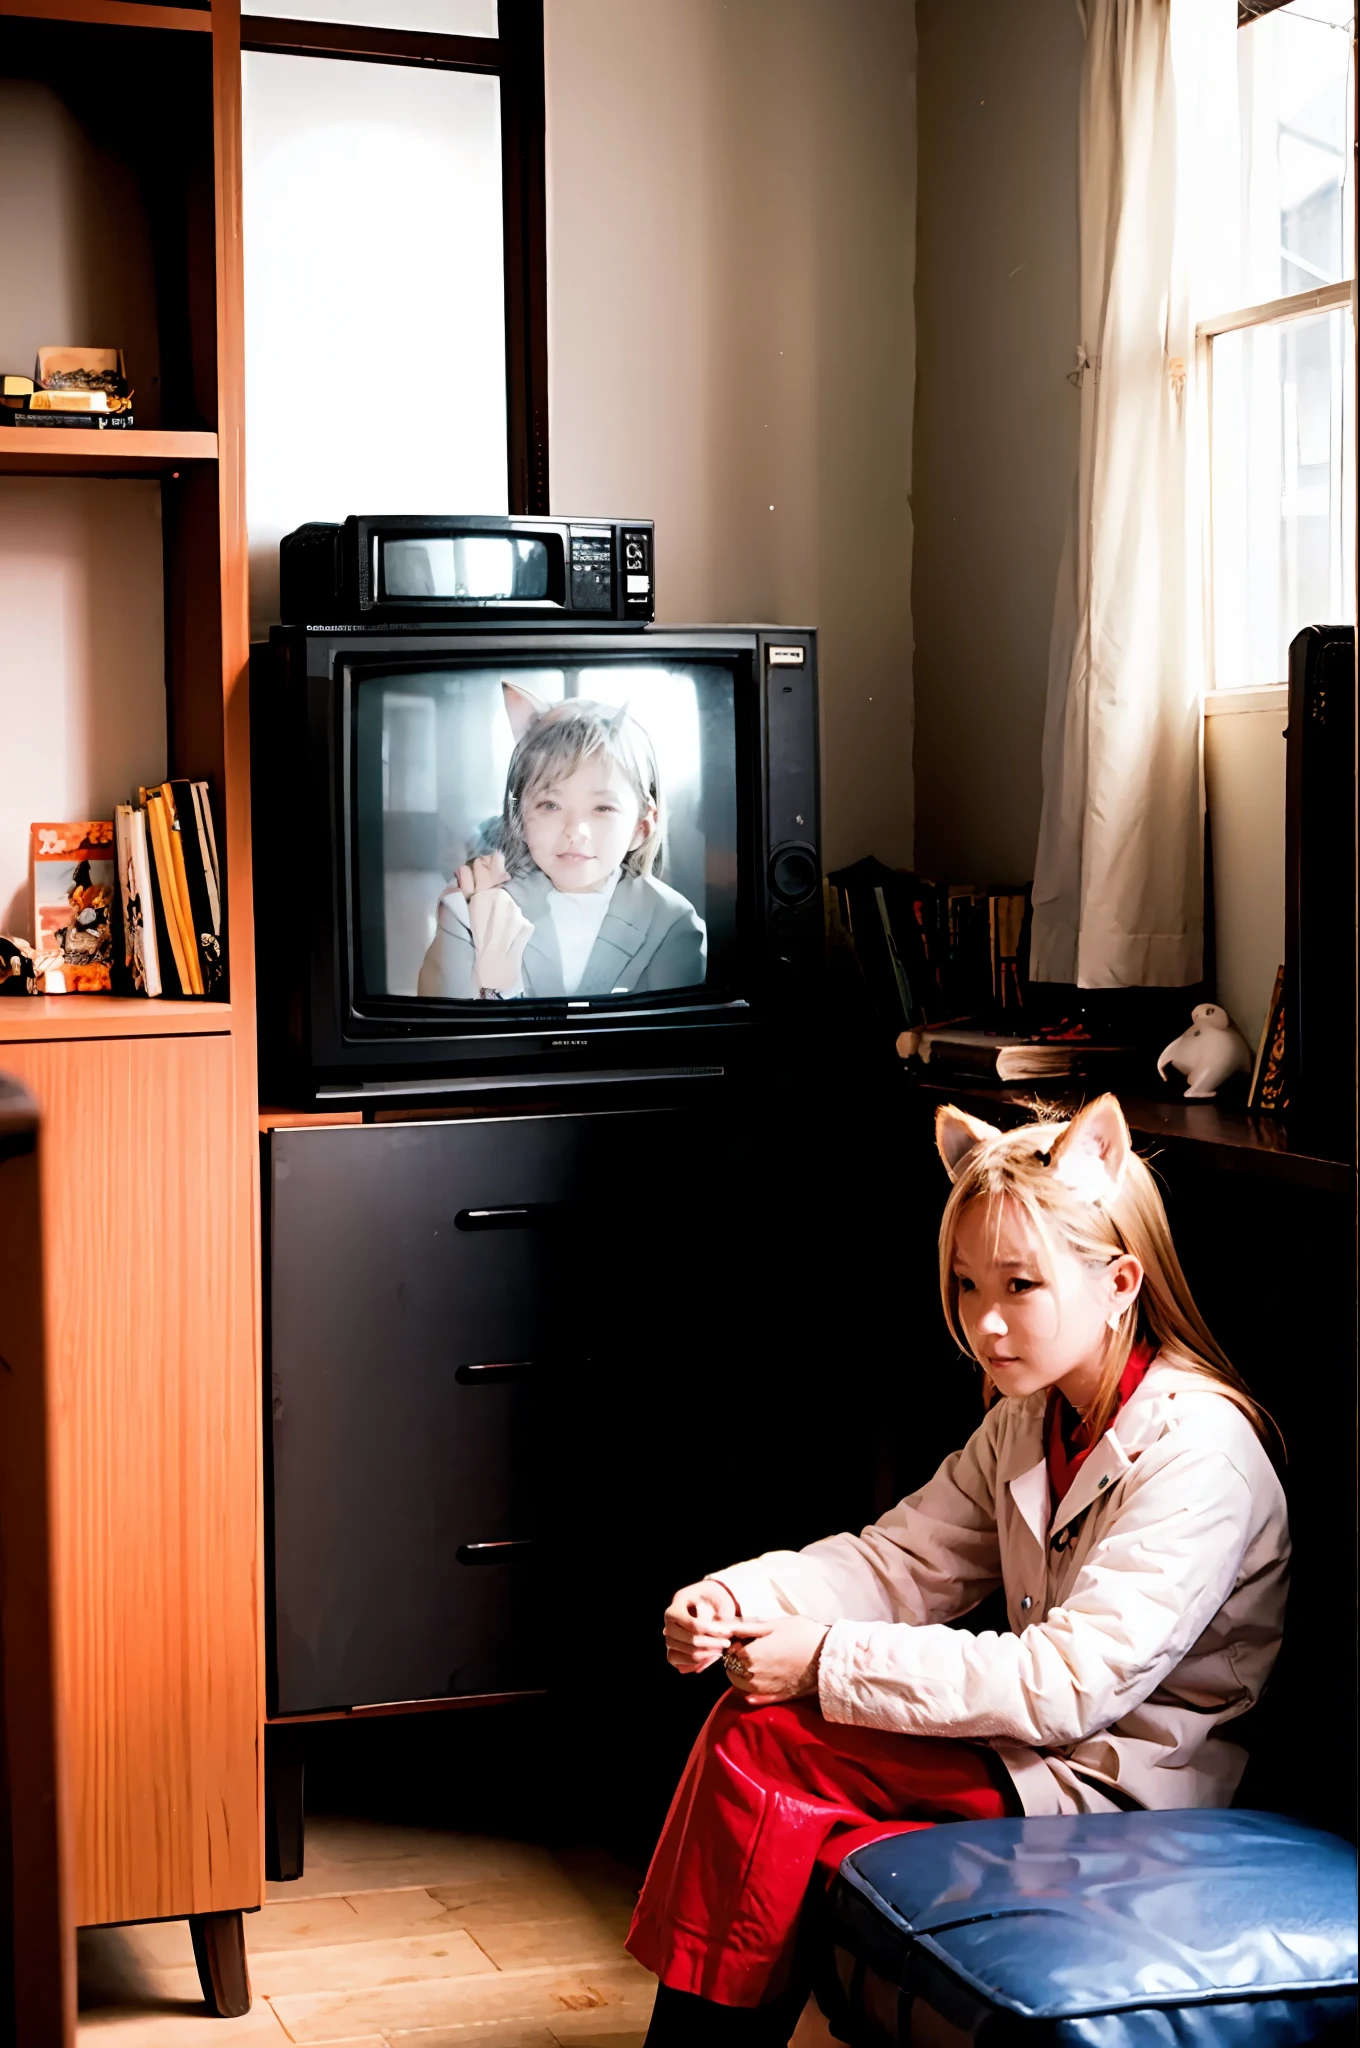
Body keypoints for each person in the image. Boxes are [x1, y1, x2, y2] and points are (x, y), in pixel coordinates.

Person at [628, 1095, 1289, 2046]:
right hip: (1035, 1752)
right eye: (969, 1286)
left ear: (1119, 1286)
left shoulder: (1201, 1455)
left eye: (1020, 1286)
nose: (984, 1323)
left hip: (1117, 1784)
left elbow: (1070, 1686)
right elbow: (899, 1562)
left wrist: (822, 1661)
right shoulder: (1032, 1419)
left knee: (767, 1741)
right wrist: (740, 1599)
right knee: (768, 1756)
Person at [417, 684, 707, 1001]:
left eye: (602, 808)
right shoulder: (468, 907)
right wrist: (494, 985)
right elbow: (446, 1031)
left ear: (642, 824)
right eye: (551, 805)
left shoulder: (672, 921)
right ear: (519, 815)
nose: (575, 831)